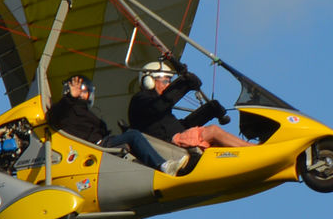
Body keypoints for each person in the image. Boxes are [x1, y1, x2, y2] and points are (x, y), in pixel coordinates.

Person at [47, 75, 188, 176]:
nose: (83, 94)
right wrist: (70, 97)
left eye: (85, 91)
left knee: (132, 137)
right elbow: (54, 117)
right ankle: (163, 166)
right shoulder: (66, 109)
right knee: (133, 135)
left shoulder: (86, 112)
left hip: (101, 143)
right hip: (93, 147)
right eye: (80, 90)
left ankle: (157, 168)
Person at [129, 61, 251, 149]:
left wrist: (209, 110)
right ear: (149, 81)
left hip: (177, 140)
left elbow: (182, 126)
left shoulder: (162, 111)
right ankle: (251, 149)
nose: (168, 85)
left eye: (170, 82)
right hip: (167, 145)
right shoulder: (141, 100)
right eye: (166, 81)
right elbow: (157, 107)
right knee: (213, 131)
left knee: (219, 147)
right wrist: (184, 84)